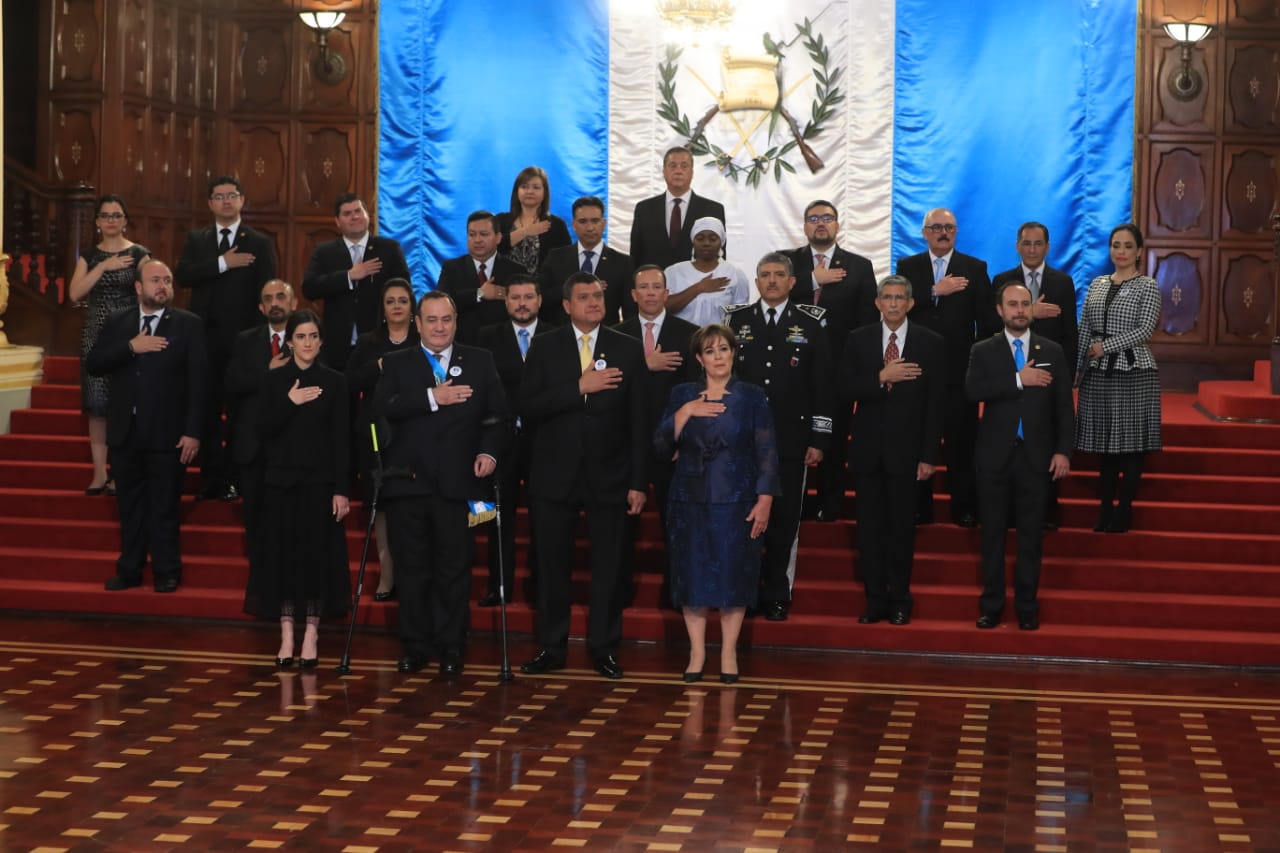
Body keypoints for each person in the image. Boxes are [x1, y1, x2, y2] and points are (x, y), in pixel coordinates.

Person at [520, 273, 648, 680]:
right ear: (566, 305)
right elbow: (528, 405)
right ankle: (552, 646)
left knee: (609, 567)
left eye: (598, 295)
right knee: (551, 565)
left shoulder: (628, 348)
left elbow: (639, 423)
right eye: (585, 297)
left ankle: (604, 647)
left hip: (609, 475)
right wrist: (579, 386)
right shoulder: (545, 346)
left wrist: (638, 481)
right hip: (553, 476)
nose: (594, 302)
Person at [375, 292, 509, 677]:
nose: (438, 327)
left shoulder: (480, 361)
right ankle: (415, 647)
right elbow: (382, 409)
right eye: (431, 320)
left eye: (445, 320)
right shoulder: (398, 363)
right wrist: (434, 397)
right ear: (417, 323)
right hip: (409, 486)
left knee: (455, 570)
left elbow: (497, 417)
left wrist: (489, 453)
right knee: (412, 570)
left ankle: (451, 646)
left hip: (459, 486)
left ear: (455, 322)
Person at [656, 324, 780, 683]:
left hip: (737, 498)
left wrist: (766, 499)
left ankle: (728, 653)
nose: (718, 356)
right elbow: (661, 447)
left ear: (733, 353)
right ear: (699, 358)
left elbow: (768, 451)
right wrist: (684, 414)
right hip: (688, 498)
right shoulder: (682, 393)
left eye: (724, 349)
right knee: (691, 575)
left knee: (732, 575)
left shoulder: (752, 396)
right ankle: (696, 654)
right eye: (710, 351)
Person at [85, 258, 206, 594]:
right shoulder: (118, 321)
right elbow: (94, 363)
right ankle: (130, 570)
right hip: (126, 432)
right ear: (138, 287)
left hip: (169, 434)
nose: (163, 286)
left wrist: (193, 431)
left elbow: (199, 384)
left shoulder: (188, 324)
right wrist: (130, 348)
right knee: (130, 506)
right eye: (155, 280)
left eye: (167, 280)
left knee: (165, 506)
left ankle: (167, 571)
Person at [723, 253, 831, 622]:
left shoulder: (811, 323)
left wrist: (819, 437)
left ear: (791, 282)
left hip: (790, 438)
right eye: (764, 275)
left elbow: (822, 384)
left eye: (778, 275)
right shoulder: (736, 321)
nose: (771, 280)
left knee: (784, 520)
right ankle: (746, 589)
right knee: (743, 517)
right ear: (756, 282)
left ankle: (777, 592)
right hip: (741, 439)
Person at [244, 310, 351, 667]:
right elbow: (261, 431)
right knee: (284, 562)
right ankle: (287, 634)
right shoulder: (274, 381)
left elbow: (341, 441)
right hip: (280, 485)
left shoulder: (335, 382)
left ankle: (312, 634)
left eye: (313, 337)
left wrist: (341, 489)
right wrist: (290, 404)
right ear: (289, 342)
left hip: (320, 487)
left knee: (316, 562)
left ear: (321, 341)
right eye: (301, 337)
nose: (307, 343)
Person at [967, 283, 1073, 630]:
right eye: (1012, 304)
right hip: (994, 458)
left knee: (1030, 537)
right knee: (992, 536)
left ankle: (1027, 607)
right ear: (999, 310)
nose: (1019, 310)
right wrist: (1017, 379)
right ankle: (992, 606)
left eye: (1024, 304)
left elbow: (1063, 407)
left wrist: (1063, 451)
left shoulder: (1053, 350)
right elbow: (973, 390)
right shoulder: (983, 350)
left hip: (1036, 458)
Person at [839, 275, 944, 625]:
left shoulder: (930, 342)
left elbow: (935, 405)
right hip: (868, 453)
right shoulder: (859, 339)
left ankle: (900, 600)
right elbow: (844, 388)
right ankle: (875, 602)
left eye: (901, 297)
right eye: (888, 297)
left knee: (900, 531)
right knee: (868, 532)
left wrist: (929, 455)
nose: (894, 303)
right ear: (878, 303)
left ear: (911, 303)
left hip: (908, 454)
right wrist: (881, 377)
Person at [175, 175, 278, 502]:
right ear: (210, 203)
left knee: (238, 413)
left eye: (232, 195)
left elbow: (268, 290)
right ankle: (212, 478)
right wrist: (223, 263)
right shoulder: (198, 239)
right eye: (219, 196)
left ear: (242, 200)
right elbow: (184, 276)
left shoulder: (259, 242)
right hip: (203, 340)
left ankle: (235, 478)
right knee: (205, 411)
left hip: (243, 344)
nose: (226, 201)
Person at [783, 200, 877, 522]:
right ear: (804, 225)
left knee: (834, 436)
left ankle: (829, 501)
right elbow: (774, 298)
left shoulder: (860, 266)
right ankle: (792, 499)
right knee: (793, 434)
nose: (820, 223)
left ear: (837, 225)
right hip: (792, 368)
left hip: (838, 368)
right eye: (813, 218)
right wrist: (812, 280)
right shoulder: (787, 263)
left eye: (827, 218)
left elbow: (867, 322)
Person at [897, 207, 992, 527]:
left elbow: (988, 322)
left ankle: (964, 507)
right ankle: (918, 508)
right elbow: (897, 309)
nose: (943, 232)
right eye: (936, 227)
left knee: (960, 441)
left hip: (959, 371)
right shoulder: (908, 266)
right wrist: (935, 291)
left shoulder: (974, 268)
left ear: (956, 232)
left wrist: (977, 363)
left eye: (949, 227)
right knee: (915, 438)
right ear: (924, 232)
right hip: (915, 369)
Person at [615, 264, 698, 599]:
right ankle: (619, 592)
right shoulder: (615, 335)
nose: (650, 292)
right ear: (634, 295)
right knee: (622, 528)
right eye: (643, 287)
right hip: (625, 445)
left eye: (656, 286)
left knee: (676, 524)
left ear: (666, 293)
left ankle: (677, 593)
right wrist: (643, 364)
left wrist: (687, 439)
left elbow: (697, 391)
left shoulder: (690, 333)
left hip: (674, 446)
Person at [1075, 223, 1162, 534]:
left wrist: (1106, 346)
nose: (1121, 252)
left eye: (1127, 246)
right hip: (1098, 374)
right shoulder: (1096, 284)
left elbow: (1145, 329)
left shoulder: (1147, 286)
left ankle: (1125, 511)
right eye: (1116, 245)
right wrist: (1077, 370)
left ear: (1138, 251)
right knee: (1105, 448)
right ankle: (1104, 510)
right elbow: (1085, 327)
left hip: (1133, 371)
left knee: (1130, 447)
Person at [991, 221, 1078, 529]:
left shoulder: (1062, 282)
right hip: (1009, 375)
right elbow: (992, 331)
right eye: (1026, 243)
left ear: (1047, 247)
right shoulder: (1002, 280)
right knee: (1010, 442)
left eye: (1037, 244)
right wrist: (1031, 313)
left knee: (1045, 440)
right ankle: (1010, 513)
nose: (1031, 249)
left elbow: (1070, 333)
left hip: (1049, 377)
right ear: (1017, 246)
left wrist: (1066, 375)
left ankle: (1047, 514)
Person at [476, 274, 554, 607]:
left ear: (539, 300)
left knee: (543, 518)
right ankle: (499, 585)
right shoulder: (486, 337)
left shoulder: (557, 336)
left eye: (528, 297)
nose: (522, 303)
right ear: (505, 301)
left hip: (544, 441)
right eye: (515, 297)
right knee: (499, 518)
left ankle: (540, 587)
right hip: (501, 442)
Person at [69, 194, 150, 496]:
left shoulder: (140, 253)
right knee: (98, 406)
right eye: (106, 216)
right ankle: (100, 473)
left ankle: (122, 471)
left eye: (117, 215)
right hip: (95, 335)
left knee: (126, 404)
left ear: (125, 220)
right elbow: (75, 293)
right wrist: (104, 267)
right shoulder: (89, 256)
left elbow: (151, 293)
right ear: (98, 222)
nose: (111, 220)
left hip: (129, 334)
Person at [345, 278, 420, 601]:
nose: (397, 306)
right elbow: (349, 381)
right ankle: (387, 574)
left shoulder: (423, 338)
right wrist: (377, 367)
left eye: (403, 300)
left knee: (413, 505)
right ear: (383, 308)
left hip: (416, 432)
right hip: (376, 434)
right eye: (391, 301)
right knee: (384, 506)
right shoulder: (369, 341)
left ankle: (413, 573)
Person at [224, 279, 297, 575]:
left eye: (281, 296)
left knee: (290, 516)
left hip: (292, 445)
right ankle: (260, 573)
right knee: (254, 514)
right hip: (253, 444)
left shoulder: (308, 337)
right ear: (261, 307)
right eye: (269, 298)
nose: (275, 302)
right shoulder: (245, 339)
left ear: (293, 303)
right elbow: (232, 383)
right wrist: (267, 372)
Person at [301, 193, 410, 370]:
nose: (355, 217)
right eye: (347, 213)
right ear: (337, 221)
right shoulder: (325, 251)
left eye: (358, 211)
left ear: (368, 215)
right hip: (337, 347)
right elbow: (309, 288)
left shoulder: (389, 249)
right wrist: (348, 276)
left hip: (380, 342)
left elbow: (405, 291)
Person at [538, 196, 635, 326]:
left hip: (606, 340)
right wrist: (570, 289)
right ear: (574, 225)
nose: (590, 228)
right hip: (562, 339)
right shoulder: (556, 257)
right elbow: (540, 297)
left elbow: (630, 314)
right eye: (583, 221)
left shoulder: (623, 263)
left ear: (603, 223)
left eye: (595, 221)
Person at [628, 146, 727, 270]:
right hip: (655, 286)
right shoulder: (644, 209)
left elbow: (720, 257)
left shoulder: (713, 210)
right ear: (664, 171)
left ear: (692, 172)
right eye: (673, 166)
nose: (678, 171)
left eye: (684, 166)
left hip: (698, 285)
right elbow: (636, 256)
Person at [435, 210, 522, 344]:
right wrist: (479, 293)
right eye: (472, 234)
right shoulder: (452, 268)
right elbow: (441, 303)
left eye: (484, 234)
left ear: (498, 237)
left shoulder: (515, 270)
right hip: (462, 344)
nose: (477, 240)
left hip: (503, 346)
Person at [663, 217, 751, 327]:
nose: (706, 243)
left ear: (721, 242)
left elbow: (742, 315)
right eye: (700, 238)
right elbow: (663, 308)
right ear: (693, 241)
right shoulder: (674, 272)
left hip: (719, 341)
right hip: (681, 341)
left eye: (713, 239)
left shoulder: (734, 273)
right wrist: (699, 288)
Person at [496, 165, 572, 275]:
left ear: (544, 192)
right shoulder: (501, 220)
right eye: (524, 186)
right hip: (505, 288)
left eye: (536, 187)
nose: (530, 191)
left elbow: (565, 262)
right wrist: (525, 231)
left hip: (542, 289)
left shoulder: (557, 225)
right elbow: (492, 250)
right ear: (516, 191)